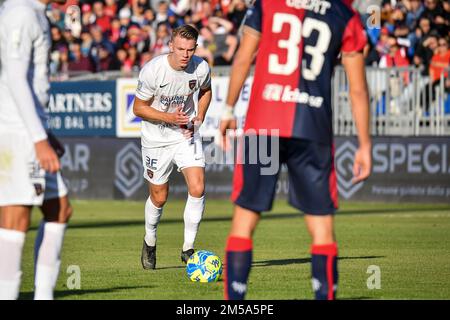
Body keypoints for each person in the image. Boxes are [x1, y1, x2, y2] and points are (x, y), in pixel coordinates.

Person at [219, 0, 372, 300]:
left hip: (263, 124)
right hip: (312, 126)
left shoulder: (267, 3)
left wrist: (227, 110)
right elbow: (358, 90)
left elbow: (242, 58)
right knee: (322, 230)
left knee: (243, 223)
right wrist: (364, 144)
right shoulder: (345, 14)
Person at [0, 0, 73, 300]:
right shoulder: (21, 13)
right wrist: (37, 138)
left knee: (59, 209)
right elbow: (15, 78)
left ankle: (43, 295)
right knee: (15, 220)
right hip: (18, 133)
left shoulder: (33, 13)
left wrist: (45, 132)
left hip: (29, 129)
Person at [133, 24, 212, 270]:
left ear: (195, 48)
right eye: (180, 49)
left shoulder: (201, 67)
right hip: (156, 138)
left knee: (197, 187)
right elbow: (138, 108)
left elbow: (206, 91)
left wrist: (199, 116)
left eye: (190, 49)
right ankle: (150, 240)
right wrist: (169, 118)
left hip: (185, 135)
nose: (185, 55)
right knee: (159, 196)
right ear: (170, 46)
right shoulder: (153, 71)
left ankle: (188, 249)